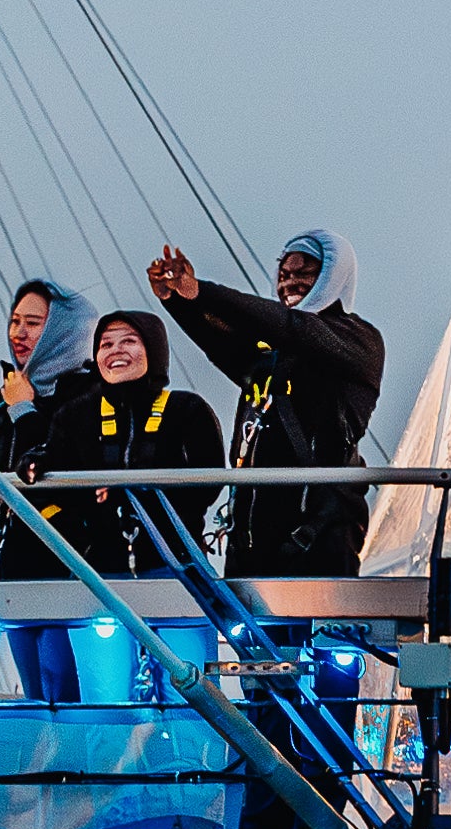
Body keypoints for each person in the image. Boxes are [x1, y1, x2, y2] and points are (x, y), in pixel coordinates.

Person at [0, 310, 227, 697]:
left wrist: (133, 490)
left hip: (175, 574)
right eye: (106, 344)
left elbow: (207, 484)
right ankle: (114, 759)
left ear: (154, 350)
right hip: (104, 576)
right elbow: (51, 472)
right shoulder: (76, 415)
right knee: (106, 700)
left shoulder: (187, 410)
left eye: (129, 341)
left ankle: (191, 759)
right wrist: (39, 466)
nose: (116, 351)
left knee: (191, 698)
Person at [151, 228, 388, 580]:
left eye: (305, 272)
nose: (290, 283)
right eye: (284, 274)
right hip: (250, 539)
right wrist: (179, 300)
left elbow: (295, 328)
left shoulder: (356, 339)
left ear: (333, 276)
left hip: (317, 534)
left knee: (316, 636)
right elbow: (221, 343)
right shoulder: (272, 353)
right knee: (248, 636)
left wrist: (203, 291)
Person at [0, 279, 95, 573]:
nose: (18, 333)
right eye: (15, 321)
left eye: (33, 323)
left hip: (69, 559)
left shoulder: (90, 393)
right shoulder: (8, 395)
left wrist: (23, 409)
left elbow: (53, 461)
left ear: (61, 332)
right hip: (8, 552)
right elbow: (2, 462)